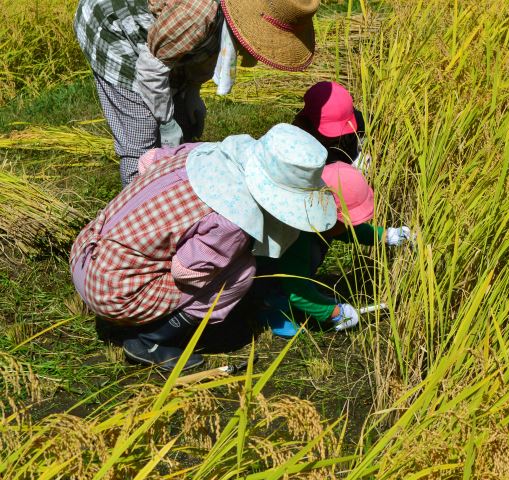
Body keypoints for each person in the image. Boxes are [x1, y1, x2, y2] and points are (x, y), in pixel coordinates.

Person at [69, 124, 337, 371]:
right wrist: (232, 257)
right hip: (111, 291)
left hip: (86, 252)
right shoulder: (233, 219)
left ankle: (146, 310)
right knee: (242, 271)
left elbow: (148, 161)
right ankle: (153, 340)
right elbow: (184, 271)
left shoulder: (207, 154)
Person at [74, 0, 321, 186]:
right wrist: (166, 121)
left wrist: (190, 92)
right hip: (115, 28)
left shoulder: (224, 14)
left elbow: (199, 48)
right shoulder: (199, 12)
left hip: (160, 41)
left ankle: (170, 188)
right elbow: (150, 70)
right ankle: (133, 219)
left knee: (184, 124)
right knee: (141, 138)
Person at [252, 161, 413, 338]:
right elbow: (297, 289)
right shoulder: (295, 235)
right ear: (328, 215)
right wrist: (334, 312)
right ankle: (271, 305)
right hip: (259, 267)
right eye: (348, 222)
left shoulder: (313, 214)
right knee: (291, 273)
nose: (351, 227)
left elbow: (348, 231)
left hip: (290, 259)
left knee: (313, 252)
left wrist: (385, 235)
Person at [293, 81, 367, 168]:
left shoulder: (359, 119)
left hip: (349, 157)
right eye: (333, 132)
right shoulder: (301, 135)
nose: (339, 134)